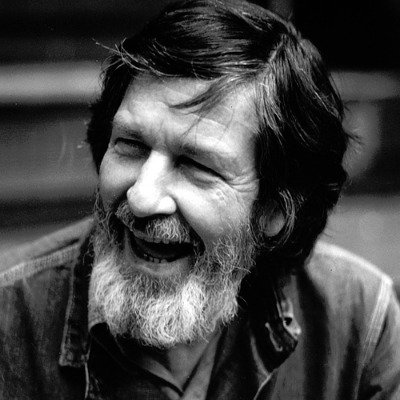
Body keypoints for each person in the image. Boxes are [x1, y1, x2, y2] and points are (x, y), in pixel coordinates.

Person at [1, 0, 400, 398]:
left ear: (274, 210)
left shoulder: (359, 323)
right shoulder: (9, 319)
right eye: (130, 145)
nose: (141, 198)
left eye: (195, 165)